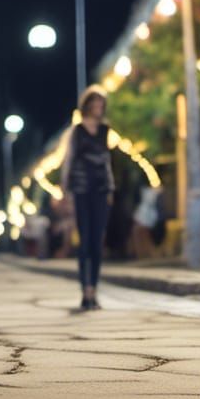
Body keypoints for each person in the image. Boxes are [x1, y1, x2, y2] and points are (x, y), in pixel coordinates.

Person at [60, 86, 115, 310]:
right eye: (94, 103)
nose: (98, 107)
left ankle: (95, 290)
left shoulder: (105, 130)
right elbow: (69, 160)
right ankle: (86, 291)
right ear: (87, 105)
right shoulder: (78, 131)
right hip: (81, 190)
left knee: (97, 243)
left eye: (101, 103)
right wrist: (66, 191)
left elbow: (106, 160)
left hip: (101, 189)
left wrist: (111, 187)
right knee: (84, 242)